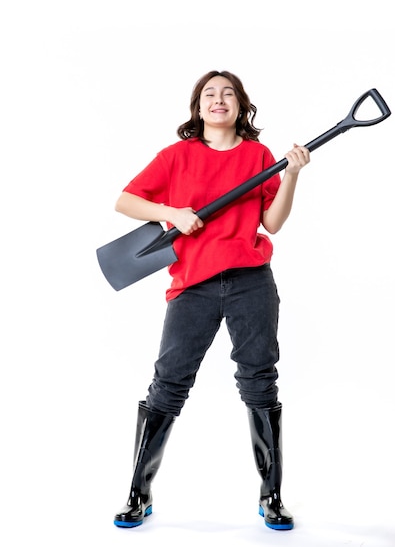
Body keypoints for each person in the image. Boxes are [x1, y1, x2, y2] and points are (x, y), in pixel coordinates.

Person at [112, 70, 310, 531]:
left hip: (250, 281)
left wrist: (293, 174)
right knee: (169, 383)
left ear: (241, 106)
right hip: (193, 285)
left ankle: (272, 494)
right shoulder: (177, 156)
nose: (218, 100)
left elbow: (273, 223)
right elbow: (125, 200)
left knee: (260, 380)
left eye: (228, 94)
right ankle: (138, 493)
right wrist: (170, 213)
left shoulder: (260, 157)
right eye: (209, 94)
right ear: (198, 108)